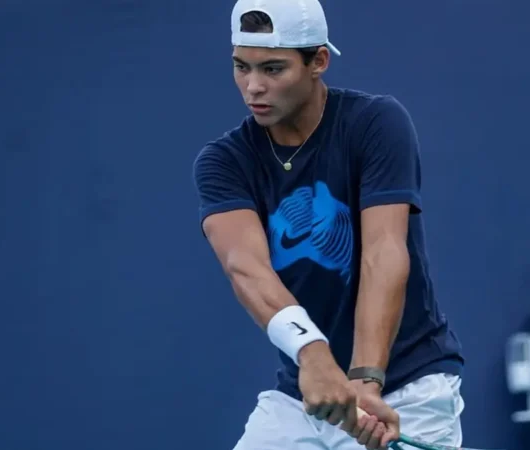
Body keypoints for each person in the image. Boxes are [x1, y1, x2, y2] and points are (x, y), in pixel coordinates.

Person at [192, 0, 465, 448]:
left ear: (318, 61)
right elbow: (247, 269)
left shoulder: (375, 123)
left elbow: (384, 253)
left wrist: (365, 379)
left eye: (273, 69)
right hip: (304, 393)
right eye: (241, 66)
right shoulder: (224, 162)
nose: (253, 87)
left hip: (409, 389)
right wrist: (312, 353)